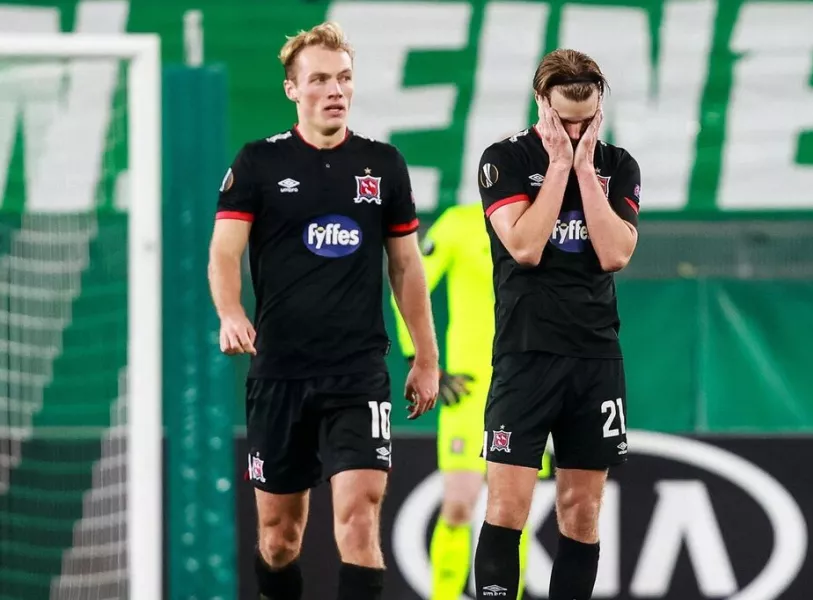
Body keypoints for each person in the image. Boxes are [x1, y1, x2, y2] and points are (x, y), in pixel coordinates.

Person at [207, 21, 440, 600]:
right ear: (293, 89)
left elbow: (407, 267)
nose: (335, 90)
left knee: (360, 520)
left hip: (358, 372)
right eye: (319, 80)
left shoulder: (383, 165)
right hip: (280, 372)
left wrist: (426, 357)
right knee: (279, 537)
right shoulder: (258, 163)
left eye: (344, 78)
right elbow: (223, 253)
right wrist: (231, 312)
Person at [472, 48, 641, 600]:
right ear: (541, 104)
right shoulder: (504, 159)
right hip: (526, 354)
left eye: (588, 118)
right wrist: (560, 166)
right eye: (566, 120)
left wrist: (586, 169)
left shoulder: (619, 165)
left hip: (595, 359)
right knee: (508, 506)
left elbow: (615, 253)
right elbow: (523, 245)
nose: (577, 129)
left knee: (581, 510)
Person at [391, 202, 553, 600]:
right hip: (469, 388)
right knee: (459, 506)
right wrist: (419, 357)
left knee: (513, 513)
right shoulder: (460, 223)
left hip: (527, 387)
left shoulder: (549, 221)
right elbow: (411, 280)